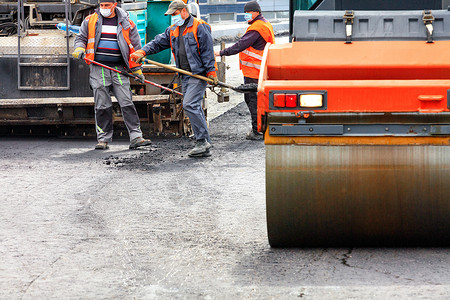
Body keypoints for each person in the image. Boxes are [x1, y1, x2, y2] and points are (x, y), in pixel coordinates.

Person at [130, 0, 218, 158]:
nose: (173, 17)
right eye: (171, 15)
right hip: (184, 74)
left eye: (175, 14)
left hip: (197, 74)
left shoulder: (199, 26)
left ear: (184, 11)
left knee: (190, 104)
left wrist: (211, 72)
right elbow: (157, 43)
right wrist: (142, 51)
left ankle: (202, 141)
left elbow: (207, 50)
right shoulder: (173, 30)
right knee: (194, 106)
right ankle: (204, 143)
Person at [72, 0, 152, 150]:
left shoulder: (127, 23)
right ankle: (103, 139)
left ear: (114, 5)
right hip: (98, 68)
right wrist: (79, 48)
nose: (103, 9)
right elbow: (81, 38)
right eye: (101, 6)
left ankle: (136, 136)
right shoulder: (90, 21)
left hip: (119, 69)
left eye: (107, 6)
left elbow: (135, 47)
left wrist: (137, 69)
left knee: (127, 102)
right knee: (102, 105)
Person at [214, 1, 275, 140]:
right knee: (261, 100)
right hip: (261, 71)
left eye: (247, 12)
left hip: (254, 72)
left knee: (252, 99)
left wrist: (221, 52)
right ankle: (263, 128)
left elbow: (240, 45)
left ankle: (258, 130)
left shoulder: (256, 28)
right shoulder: (265, 24)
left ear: (256, 12)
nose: (245, 15)